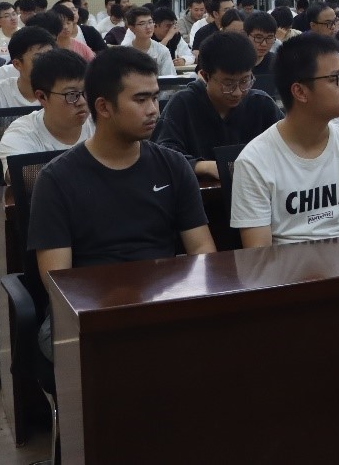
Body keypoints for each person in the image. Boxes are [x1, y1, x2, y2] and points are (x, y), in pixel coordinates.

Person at [29, 47, 216, 360]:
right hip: (88, 311)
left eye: (155, 98)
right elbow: (57, 282)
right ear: (103, 106)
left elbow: (202, 250)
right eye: (140, 100)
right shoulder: (56, 179)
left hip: (162, 300)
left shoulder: (173, 166)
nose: (153, 110)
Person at [230, 34, 339, 246]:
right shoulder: (254, 161)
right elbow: (259, 255)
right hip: (288, 266)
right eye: (335, 79)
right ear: (300, 91)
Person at [152, 32, 282, 179]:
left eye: (245, 81)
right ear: (205, 76)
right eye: (228, 84)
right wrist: (205, 167)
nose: (237, 92)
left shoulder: (261, 103)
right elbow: (162, 154)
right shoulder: (183, 103)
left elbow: (288, 145)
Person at [0, 48, 95, 169]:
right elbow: (22, 177)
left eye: (86, 92)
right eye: (71, 95)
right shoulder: (21, 135)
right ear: (42, 97)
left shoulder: (100, 125)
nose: (82, 102)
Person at [0, 26, 57, 145]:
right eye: (39, 59)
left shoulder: (60, 90)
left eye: (51, 57)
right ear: (17, 64)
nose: (47, 64)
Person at [122, 6, 176, 77]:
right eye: (142, 23)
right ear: (131, 28)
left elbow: (169, 78)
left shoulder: (162, 51)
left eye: (150, 22)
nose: (148, 27)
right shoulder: (124, 53)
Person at [242, 11, 280, 77]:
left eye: (269, 37)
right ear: (245, 35)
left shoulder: (278, 64)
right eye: (258, 37)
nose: (264, 44)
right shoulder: (234, 63)